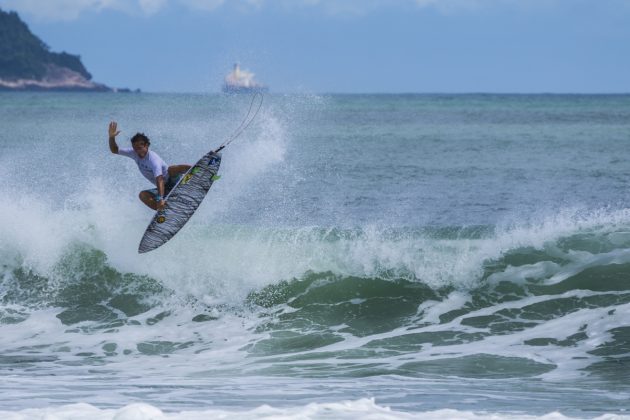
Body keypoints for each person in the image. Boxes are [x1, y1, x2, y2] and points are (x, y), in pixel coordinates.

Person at [108, 121, 190, 211]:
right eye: (135, 148)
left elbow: (160, 179)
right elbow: (114, 150)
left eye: (139, 148)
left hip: (174, 182)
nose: (137, 151)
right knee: (143, 195)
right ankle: (163, 211)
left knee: (171, 169)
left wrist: (160, 198)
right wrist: (111, 137)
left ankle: (197, 169)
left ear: (146, 145)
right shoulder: (133, 153)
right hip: (164, 189)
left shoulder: (153, 159)